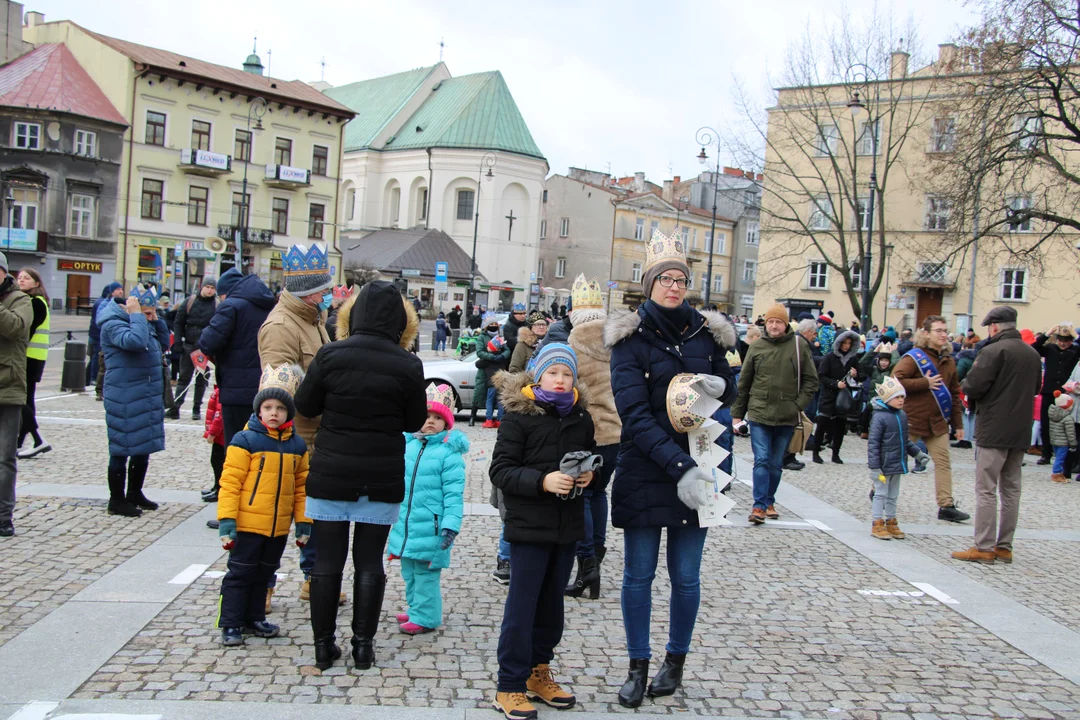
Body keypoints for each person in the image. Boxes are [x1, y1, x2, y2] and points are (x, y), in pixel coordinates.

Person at [606, 230, 738, 708]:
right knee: (638, 575)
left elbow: (728, 385)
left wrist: (719, 389)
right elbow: (633, 415)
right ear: (650, 284)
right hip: (649, 468)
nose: (674, 286)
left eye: (681, 278)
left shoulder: (707, 334)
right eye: (665, 278)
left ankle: (675, 662)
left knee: (686, 576)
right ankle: (637, 666)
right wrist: (677, 465)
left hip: (703, 462)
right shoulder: (630, 339)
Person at [294, 280, 426, 671]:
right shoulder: (407, 363)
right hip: (381, 473)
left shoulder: (330, 354)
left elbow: (304, 404)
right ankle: (363, 646)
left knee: (327, 562)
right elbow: (416, 419)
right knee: (370, 562)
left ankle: (323, 646)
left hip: (332, 469)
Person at [488, 343, 596, 719]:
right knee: (522, 607)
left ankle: (538, 672)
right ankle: (509, 684)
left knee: (551, 606)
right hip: (529, 526)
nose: (561, 380)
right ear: (538, 374)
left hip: (566, 527)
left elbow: (592, 458)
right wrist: (542, 481)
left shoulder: (581, 417)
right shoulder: (519, 415)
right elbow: (500, 470)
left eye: (567, 373)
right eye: (554, 372)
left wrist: (589, 475)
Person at [258, 244, 333, 601]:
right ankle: (264, 587)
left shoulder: (313, 320)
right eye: (323, 290)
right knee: (276, 515)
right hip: (289, 435)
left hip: (314, 434)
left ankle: (313, 579)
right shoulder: (280, 326)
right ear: (306, 292)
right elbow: (277, 391)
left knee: (310, 512)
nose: (327, 295)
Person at [216, 363, 310, 646]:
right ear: (259, 410)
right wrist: (227, 520)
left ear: (288, 413)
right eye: (268, 407)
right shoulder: (244, 441)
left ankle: (254, 616)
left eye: (280, 408)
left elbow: (302, 488)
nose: (274, 413)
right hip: (248, 525)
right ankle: (230, 622)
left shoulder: (297, 446)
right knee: (239, 574)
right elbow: (230, 483)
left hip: (277, 527)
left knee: (265, 573)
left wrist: (303, 522)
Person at [953, 306, 1041, 564]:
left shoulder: (992, 351)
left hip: (993, 428)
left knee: (986, 488)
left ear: (993, 327)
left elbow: (972, 385)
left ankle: (984, 546)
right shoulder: (1032, 353)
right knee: (1012, 489)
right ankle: (1004, 547)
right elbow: (1036, 388)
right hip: (1021, 429)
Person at [386, 384, 468, 635]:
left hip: (432, 527)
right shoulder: (408, 445)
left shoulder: (448, 454)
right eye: (426, 416)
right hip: (407, 523)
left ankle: (426, 617)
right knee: (409, 571)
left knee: (426, 573)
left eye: (437, 418)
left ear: (447, 423)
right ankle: (415, 608)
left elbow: (454, 495)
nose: (430, 422)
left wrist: (450, 526)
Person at [732, 303, 819, 525]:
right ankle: (759, 505)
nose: (774, 325)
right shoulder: (757, 346)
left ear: (785, 324)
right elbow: (744, 382)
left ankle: (769, 500)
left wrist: (797, 405)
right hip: (759, 413)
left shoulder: (799, 345)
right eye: (770, 321)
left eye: (778, 322)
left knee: (775, 463)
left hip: (786, 414)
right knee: (761, 459)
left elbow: (811, 381)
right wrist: (737, 414)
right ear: (765, 324)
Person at [565, 275, 620, 599]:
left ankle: (587, 566)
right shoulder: (618, 342)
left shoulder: (573, 345)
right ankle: (596, 555)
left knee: (582, 497)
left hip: (587, 435)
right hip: (616, 434)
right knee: (599, 495)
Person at [98, 284, 170, 517]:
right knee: (121, 447)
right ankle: (116, 499)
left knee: (142, 445)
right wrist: (138, 316)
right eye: (144, 311)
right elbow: (135, 342)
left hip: (145, 391)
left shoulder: (140, 321)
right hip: (124, 393)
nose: (147, 316)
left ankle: (135, 492)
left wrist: (155, 319)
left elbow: (164, 344)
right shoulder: (112, 323)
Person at [892, 316, 969, 522]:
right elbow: (895, 380)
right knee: (895, 459)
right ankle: (878, 490)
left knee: (943, 463)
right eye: (939, 331)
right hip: (913, 419)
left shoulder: (949, 360)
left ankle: (946, 505)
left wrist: (958, 424)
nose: (944, 334)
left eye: (946, 331)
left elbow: (954, 393)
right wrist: (924, 383)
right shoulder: (914, 357)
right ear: (926, 333)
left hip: (937, 422)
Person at [198, 268, 276, 446]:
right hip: (264, 386)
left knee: (236, 447)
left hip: (236, 389)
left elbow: (207, 342)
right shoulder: (267, 304)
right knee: (259, 445)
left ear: (225, 292)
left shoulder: (231, 305)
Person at [867, 377, 929, 540]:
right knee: (880, 493)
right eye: (897, 397)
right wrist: (874, 467)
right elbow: (873, 443)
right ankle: (877, 522)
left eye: (902, 397)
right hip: (883, 465)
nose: (901, 400)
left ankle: (891, 521)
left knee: (893, 494)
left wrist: (917, 453)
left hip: (896, 463)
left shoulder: (901, 415)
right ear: (887, 398)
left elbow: (904, 440)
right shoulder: (879, 417)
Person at [0, 252, 31, 537]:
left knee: (5, 456)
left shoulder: (20, 300)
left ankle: (3, 516)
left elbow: (15, 328)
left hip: (7, 387)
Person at [810, 330, 862, 465]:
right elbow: (821, 376)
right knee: (822, 424)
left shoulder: (852, 359)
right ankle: (816, 452)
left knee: (840, 426)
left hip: (843, 397)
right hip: (828, 395)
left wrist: (856, 375)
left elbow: (862, 375)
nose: (846, 346)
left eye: (849, 343)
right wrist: (834, 383)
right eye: (844, 343)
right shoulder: (829, 358)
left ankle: (836, 454)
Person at [1032, 323, 1080, 465]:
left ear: (1071, 341)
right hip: (1049, 391)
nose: (1063, 343)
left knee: (1066, 425)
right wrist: (1048, 333)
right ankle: (1046, 453)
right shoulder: (1050, 348)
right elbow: (1034, 348)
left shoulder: (1075, 350)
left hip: (1067, 394)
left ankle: (1065, 455)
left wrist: (1077, 335)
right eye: (1060, 340)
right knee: (1045, 424)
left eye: (1066, 341)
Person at [15, 269, 50, 458]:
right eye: (19, 277)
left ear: (37, 283)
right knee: (26, 399)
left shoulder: (35, 303)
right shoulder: (34, 301)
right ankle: (20, 442)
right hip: (33, 356)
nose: (21, 280)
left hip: (29, 357)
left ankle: (37, 439)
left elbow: (25, 331)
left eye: (26, 278)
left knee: (20, 399)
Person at [89, 282, 123, 401]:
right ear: (112, 291)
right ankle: (100, 391)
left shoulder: (121, 302)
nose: (121, 291)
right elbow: (99, 320)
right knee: (103, 366)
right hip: (105, 339)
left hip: (116, 340)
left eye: (121, 289)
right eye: (118, 289)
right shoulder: (105, 304)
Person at [477, 317, 511, 428]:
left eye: (496, 323)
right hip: (489, 370)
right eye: (492, 323)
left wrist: (501, 356)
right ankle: (489, 419)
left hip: (501, 371)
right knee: (490, 397)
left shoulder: (500, 337)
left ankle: (499, 420)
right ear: (487, 326)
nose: (495, 325)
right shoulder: (482, 337)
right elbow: (479, 352)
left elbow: (507, 350)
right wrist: (492, 357)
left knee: (500, 398)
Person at [202, 385, 226, 504]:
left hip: (221, 436)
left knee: (217, 462)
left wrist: (212, 433)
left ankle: (219, 488)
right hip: (220, 436)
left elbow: (219, 414)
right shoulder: (218, 389)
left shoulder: (222, 390)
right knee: (216, 461)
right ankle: (216, 486)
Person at [1047, 391, 1076, 483]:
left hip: (1054, 440)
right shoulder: (1068, 418)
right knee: (1060, 459)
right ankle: (1056, 474)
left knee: (1057, 457)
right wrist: (1073, 443)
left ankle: (1059, 473)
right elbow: (1070, 433)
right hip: (1063, 442)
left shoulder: (1052, 415)